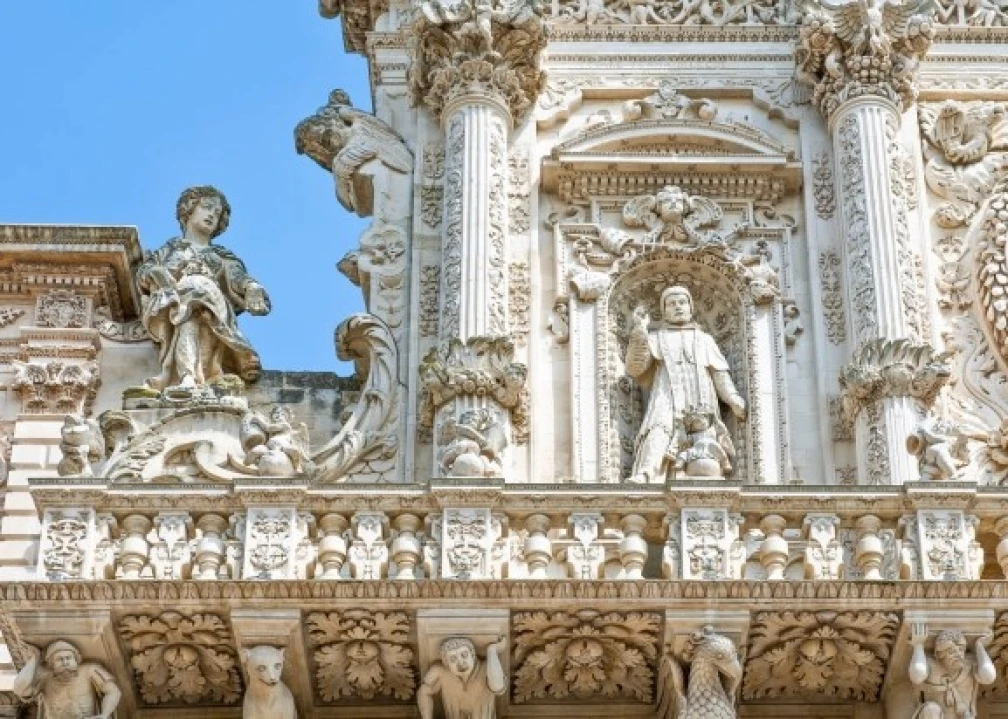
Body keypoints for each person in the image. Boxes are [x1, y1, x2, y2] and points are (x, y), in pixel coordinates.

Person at [137, 186, 270, 392]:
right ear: (188, 210)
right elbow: (145, 273)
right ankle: (189, 376)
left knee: (197, 294)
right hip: (178, 304)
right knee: (188, 305)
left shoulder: (221, 255)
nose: (212, 215)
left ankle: (197, 376)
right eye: (206, 207)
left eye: (217, 212)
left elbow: (239, 278)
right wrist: (157, 273)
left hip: (211, 305)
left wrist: (252, 287)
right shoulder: (169, 249)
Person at [625, 285, 745, 483]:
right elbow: (635, 368)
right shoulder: (656, 338)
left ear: (691, 307)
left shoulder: (705, 339)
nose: (678, 307)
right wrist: (640, 330)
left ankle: (704, 474)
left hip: (701, 397)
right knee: (658, 429)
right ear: (664, 311)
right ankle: (646, 474)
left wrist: (732, 398)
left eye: (682, 302)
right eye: (671, 304)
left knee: (703, 435)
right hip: (667, 394)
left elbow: (719, 373)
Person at [11, 640, 121, 719]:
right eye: (60, 659)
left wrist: (104, 715)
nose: (65, 662)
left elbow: (113, 691)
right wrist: (35, 659)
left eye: (69, 658)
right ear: (51, 664)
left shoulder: (90, 670)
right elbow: (21, 690)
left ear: (76, 660)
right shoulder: (45, 678)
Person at [907, 625, 996, 718]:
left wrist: (979, 646)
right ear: (939, 655)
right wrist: (919, 645)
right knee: (931, 709)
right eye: (951, 652)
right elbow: (917, 675)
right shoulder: (931, 666)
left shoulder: (969, 665)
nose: (958, 655)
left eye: (961, 650)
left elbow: (988, 677)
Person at [417, 636, 507, 719]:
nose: (460, 663)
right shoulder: (442, 673)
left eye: (464, 655)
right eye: (453, 659)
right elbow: (423, 691)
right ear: (447, 664)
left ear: (473, 655)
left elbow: (497, 686)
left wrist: (491, 651)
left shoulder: (486, 668)